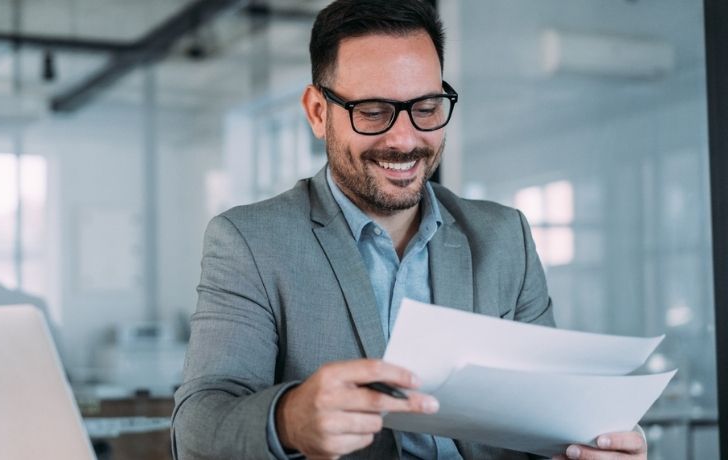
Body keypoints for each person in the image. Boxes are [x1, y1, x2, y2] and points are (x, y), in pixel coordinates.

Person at [172, 1, 648, 459]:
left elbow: (549, 419)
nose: (404, 139)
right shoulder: (251, 240)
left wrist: (592, 447)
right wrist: (290, 421)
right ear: (318, 112)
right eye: (374, 111)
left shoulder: (506, 237)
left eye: (425, 106)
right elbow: (196, 432)